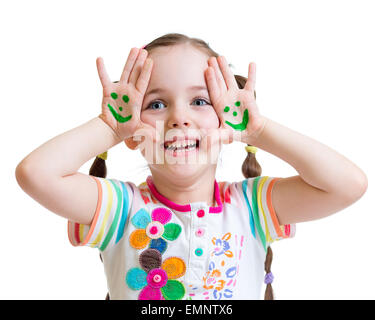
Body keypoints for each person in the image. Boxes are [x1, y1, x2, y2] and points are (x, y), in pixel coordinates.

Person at [15, 33, 367, 300]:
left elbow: (348, 185)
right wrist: (108, 126)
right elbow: (36, 173)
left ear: (227, 124)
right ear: (133, 134)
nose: (179, 118)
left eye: (200, 101)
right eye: (156, 104)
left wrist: (258, 132)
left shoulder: (253, 207)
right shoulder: (118, 208)